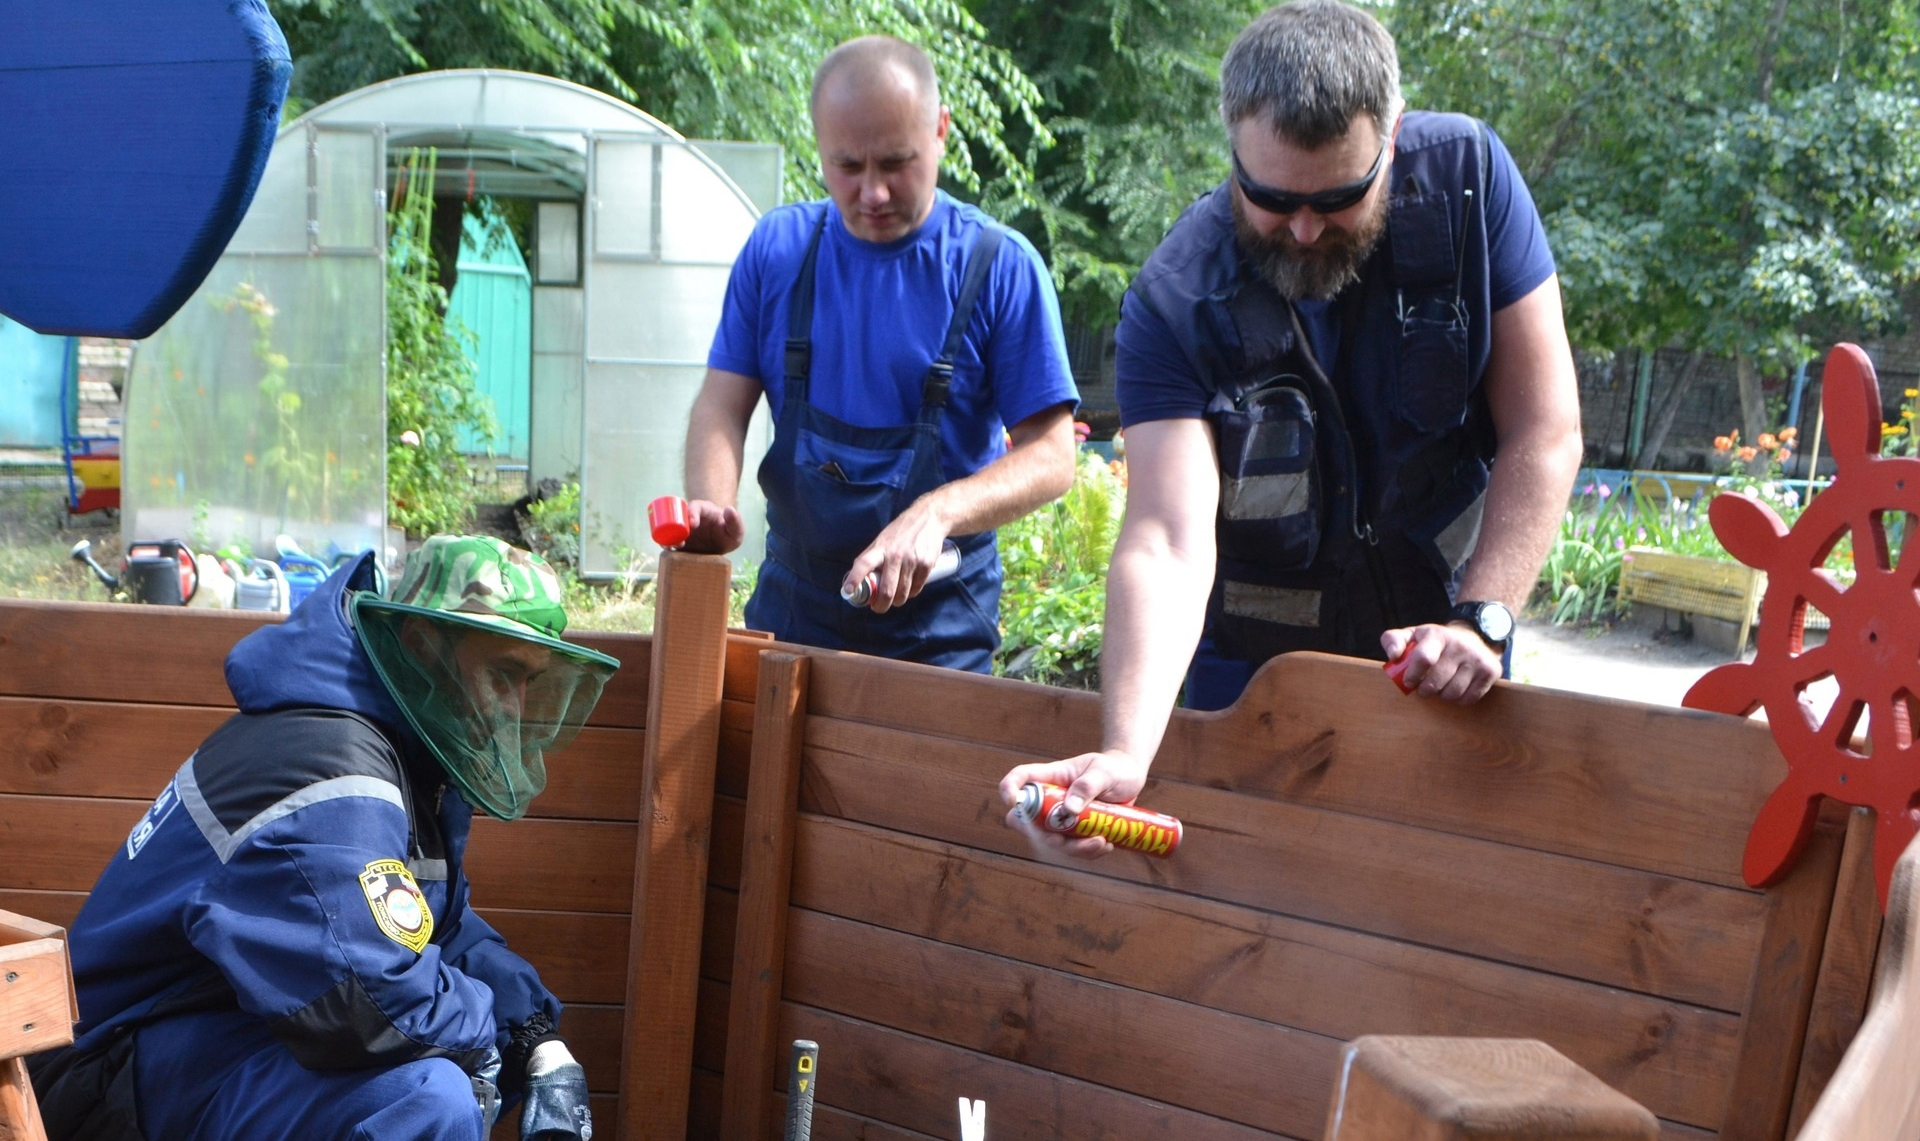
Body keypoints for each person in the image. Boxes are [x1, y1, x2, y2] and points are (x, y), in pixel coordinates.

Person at [1000, 0, 1582, 852]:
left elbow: (1545, 426)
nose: (1305, 230)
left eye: (1339, 197)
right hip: (1251, 682)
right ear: (1232, 145)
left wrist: (1481, 618)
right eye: (1270, 198)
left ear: (1392, 137)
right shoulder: (1172, 298)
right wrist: (1126, 751)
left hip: (1437, 663)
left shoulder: (1468, 183)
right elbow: (1165, 537)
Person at [29, 536, 615, 1141]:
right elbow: (363, 998)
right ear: (420, 645)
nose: (514, 705)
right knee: (424, 1099)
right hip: (103, 1083)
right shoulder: (335, 768)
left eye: (530, 680)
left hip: (188, 1040)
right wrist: (488, 1030)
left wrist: (535, 1038)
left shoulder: (396, 753)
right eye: (503, 672)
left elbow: (438, 925)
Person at [679, 35, 1080, 672]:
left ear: (941, 131)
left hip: (939, 630)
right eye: (848, 166)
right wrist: (710, 505)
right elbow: (722, 406)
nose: (872, 193)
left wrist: (939, 510)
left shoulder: (998, 266)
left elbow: (1054, 457)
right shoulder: (777, 251)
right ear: (819, 146)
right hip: (792, 609)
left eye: (896, 163)